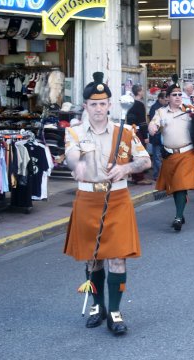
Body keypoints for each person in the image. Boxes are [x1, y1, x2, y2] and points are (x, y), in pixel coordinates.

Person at [63, 72, 151, 335]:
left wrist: (126, 168)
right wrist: (77, 164)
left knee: (118, 259)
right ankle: (97, 307)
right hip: (88, 198)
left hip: (117, 199)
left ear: (110, 105)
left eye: (103, 103)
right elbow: (70, 157)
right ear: (86, 106)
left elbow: (145, 161)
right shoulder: (75, 132)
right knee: (93, 260)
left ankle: (114, 311)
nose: (99, 108)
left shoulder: (124, 132)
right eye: (93, 104)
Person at [149, 82, 194, 231]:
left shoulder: (189, 110)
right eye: (174, 95)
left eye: (179, 95)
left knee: (181, 184)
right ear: (168, 97)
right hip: (170, 155)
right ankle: (180, 210)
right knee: (175, 187)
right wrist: (152, 128)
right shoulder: (161, 112)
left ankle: (178, 217)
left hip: (187, 153)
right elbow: (153, 125)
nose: (177, 97)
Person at [126, 84, 153, 184]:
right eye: (142, 91)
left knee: (132, 154)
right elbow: (142, 122)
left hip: (129, 130)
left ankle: (133, 176)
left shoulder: (129, 103)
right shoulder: (140, 105)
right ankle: (139, 178)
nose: (143, 93)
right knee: (140, 154)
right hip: (138, 132)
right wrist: (145, 136)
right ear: (139, 92)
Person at [148, 91, 168, 180]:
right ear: (160, 99)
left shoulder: (164, 107)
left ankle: (161, 174)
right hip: (157, 136)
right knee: (157, 156)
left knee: (161, 156)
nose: (167, 101)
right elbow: (155, 122)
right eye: (165, 99)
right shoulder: (155, 108)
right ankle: (157, 175)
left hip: (162, 136)